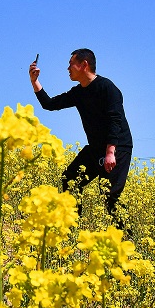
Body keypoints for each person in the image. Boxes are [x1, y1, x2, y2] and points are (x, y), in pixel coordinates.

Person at [29, 49, 133, 230]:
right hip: (95, 148)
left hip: (117, 147)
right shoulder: (79, 92)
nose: (67, 68)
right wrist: (34, 81)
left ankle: (127, 243)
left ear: (84, 65)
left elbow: (115, 120)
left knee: (110, 197)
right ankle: (72, 228)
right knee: (69, 179)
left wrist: (110, 152)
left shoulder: (107, 88)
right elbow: (49, 104)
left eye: (71, 64)